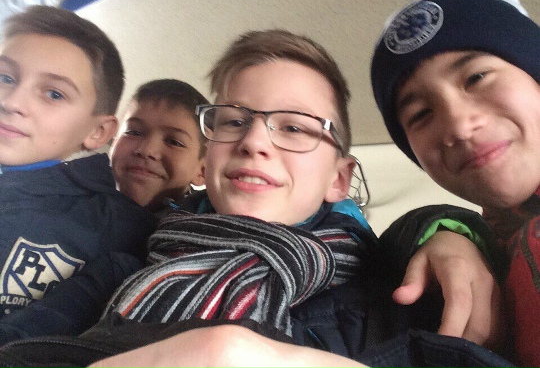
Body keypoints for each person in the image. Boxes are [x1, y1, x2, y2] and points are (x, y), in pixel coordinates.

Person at [0, 29, 379, 368]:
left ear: (339, 179)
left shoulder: (387, 290)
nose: (253, 141)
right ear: (209, 156)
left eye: (294, 127)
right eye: (234, 121)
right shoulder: (121, 267)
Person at [371, 0, 540, 366]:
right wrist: (446, 231)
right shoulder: (494, 258)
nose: (460, 126)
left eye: (477, 77)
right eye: (421, 114)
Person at [0, 5, 155, 343]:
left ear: (98, 132)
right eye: (5, 77)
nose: (12, 102)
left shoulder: (112, 224)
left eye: (54, 94)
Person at [110, 78, 207, 213]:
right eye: (133, 132)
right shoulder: (81, 194)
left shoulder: (201, 223)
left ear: (202, 171)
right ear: (114, 141)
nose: (146, 150)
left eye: (174, 142)